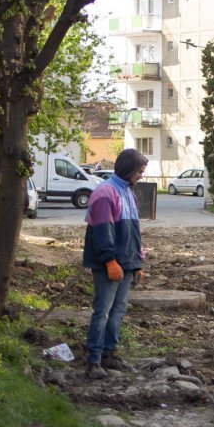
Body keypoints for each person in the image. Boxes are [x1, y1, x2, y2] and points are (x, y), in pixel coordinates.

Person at [82, 147, 147, 379]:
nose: (142, 175)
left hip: (127, 264)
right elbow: (102, 233)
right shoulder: (105, 193)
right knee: (102, 313)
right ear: (129, 169)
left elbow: (134, 231)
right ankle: (94, 361)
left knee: (117, 312)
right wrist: (110, 261)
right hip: (108, 265)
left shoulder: (129, 193)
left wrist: (137, 262)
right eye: (140, 171)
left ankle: (110, 354)